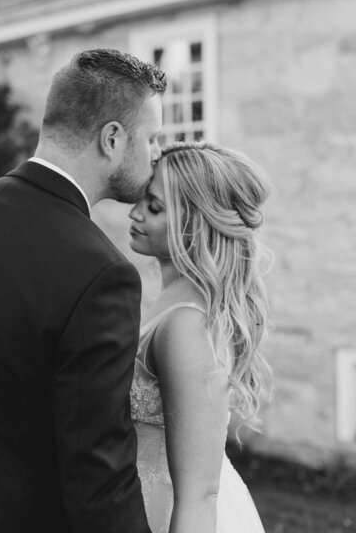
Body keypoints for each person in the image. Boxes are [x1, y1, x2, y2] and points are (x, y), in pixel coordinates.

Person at [0, 48, 166, 533]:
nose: (156, 152)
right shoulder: (100, 274)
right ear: (112, 138)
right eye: (151, 138)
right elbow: (98, 477)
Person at [129, 141, 272, 533]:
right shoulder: (167, 299)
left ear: (195, 222)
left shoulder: (187, 325)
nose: (135, 212)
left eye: (154, 207)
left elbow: (199, 494)